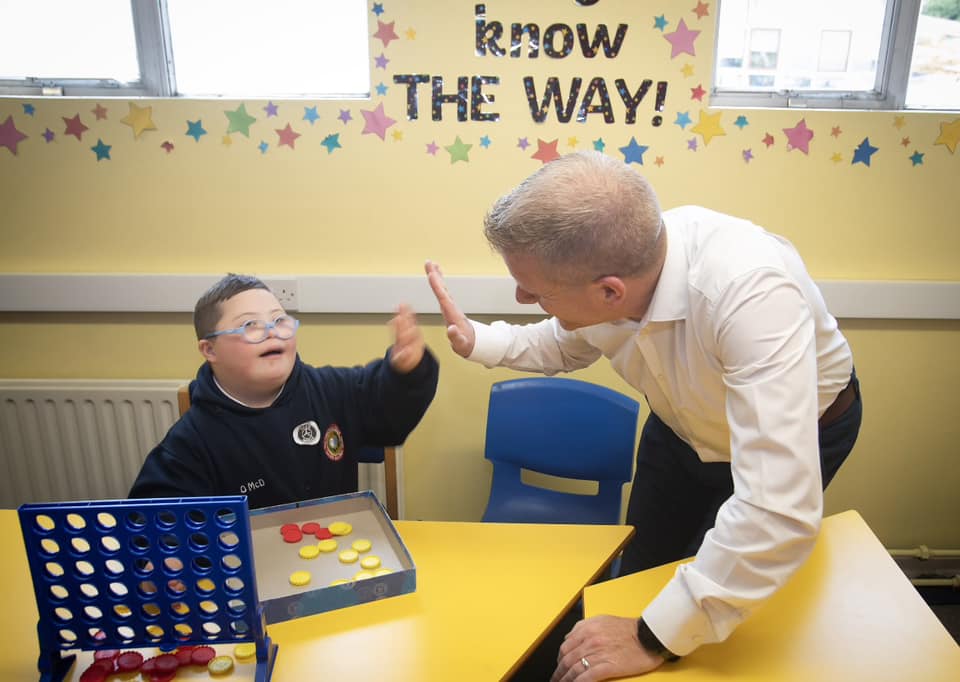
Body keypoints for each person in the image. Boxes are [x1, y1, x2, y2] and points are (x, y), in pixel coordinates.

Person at [425, 151, 862, 681]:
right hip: (679, 429)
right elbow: (565, 342)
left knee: (716, 609)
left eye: (537, 293)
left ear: (610, 291)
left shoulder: (749, 293)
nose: (524, 298)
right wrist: (480, 339)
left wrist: (651, 636)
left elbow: (776, 511)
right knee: (640, 573)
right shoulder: (623, 264)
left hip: (797, 431)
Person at [130, 273, 439, 509]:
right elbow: (158, 523)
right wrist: (169, 553)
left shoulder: (330, 390)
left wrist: (406, 372)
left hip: (335, 557)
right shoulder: (191, 442)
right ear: (210, 349)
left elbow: (386, 407)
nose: (271, 331)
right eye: (250, 324)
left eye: (279, 320)